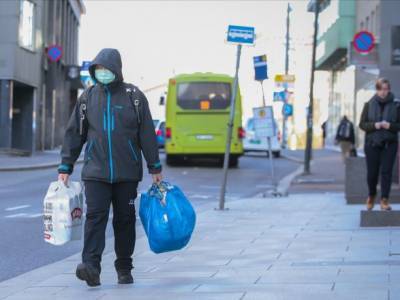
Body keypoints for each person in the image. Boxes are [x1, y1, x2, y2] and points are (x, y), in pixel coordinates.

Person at [57, 48, 162, 287]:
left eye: (106, 69)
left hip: (127, 174)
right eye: (98, 70)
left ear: (116, 70)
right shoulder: (88, 98)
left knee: (125, 220)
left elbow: (146, 133)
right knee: (95, 218)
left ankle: (124, 267)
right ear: (94, 71)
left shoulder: (133, 96)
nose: (102, 73)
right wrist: (66, 165)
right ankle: (90, 266)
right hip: (96, 173)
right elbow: (75, 133)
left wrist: (154, 167)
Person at [359, 78, 400, 211]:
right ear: (376, 90)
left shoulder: (396, 105)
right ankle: (371, 195)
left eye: (386, 89)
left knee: (386, 173)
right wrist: (374, 125)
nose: (383, 92)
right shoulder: (369, 104)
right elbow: (362, 124)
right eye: (380, 89)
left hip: (390, 144)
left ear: (389, 89)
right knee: (372, 174)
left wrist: (390, 126)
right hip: (372, 144)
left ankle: (384, 200)